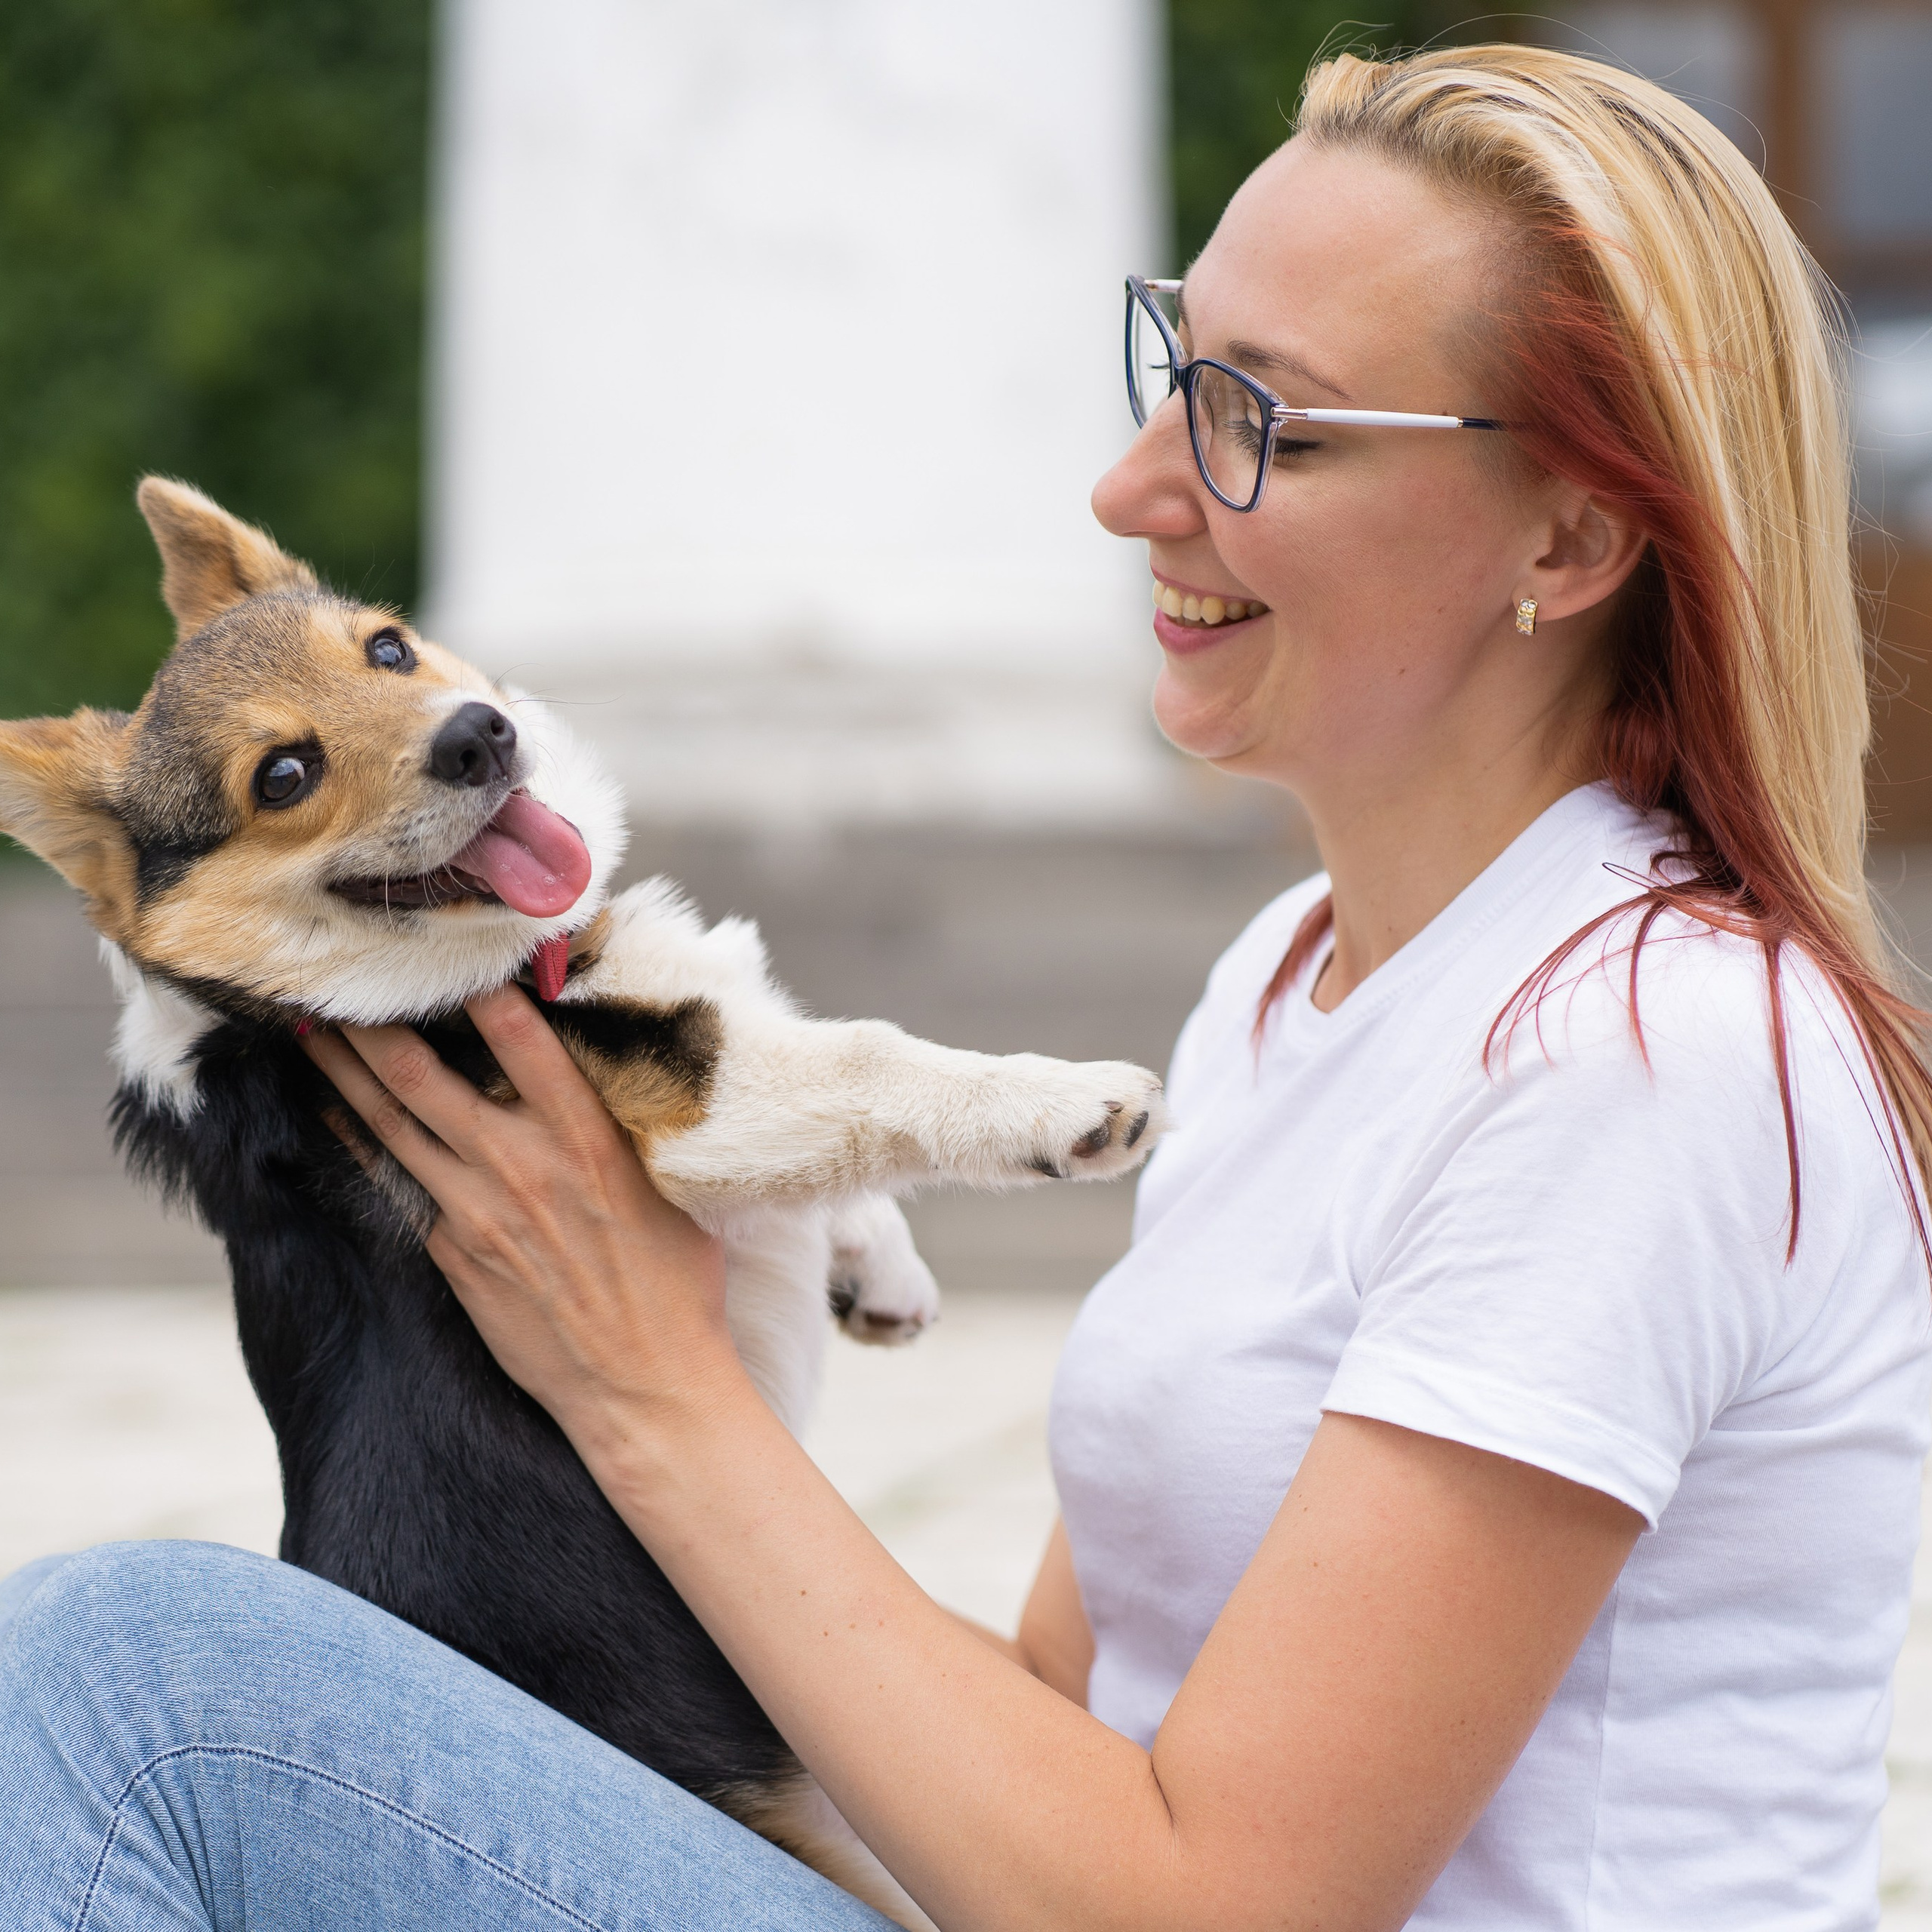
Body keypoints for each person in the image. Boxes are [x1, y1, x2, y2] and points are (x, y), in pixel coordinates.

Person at [5, 42, 1928, 1932]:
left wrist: (650, 1386)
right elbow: (1049, 1728)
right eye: (1172, 367)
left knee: (136, 1682)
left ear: (1572, 534)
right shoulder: (1297, 983)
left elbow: (1210, 1907)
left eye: (1262, 417)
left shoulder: (1635, 1059)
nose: (1128, 487)